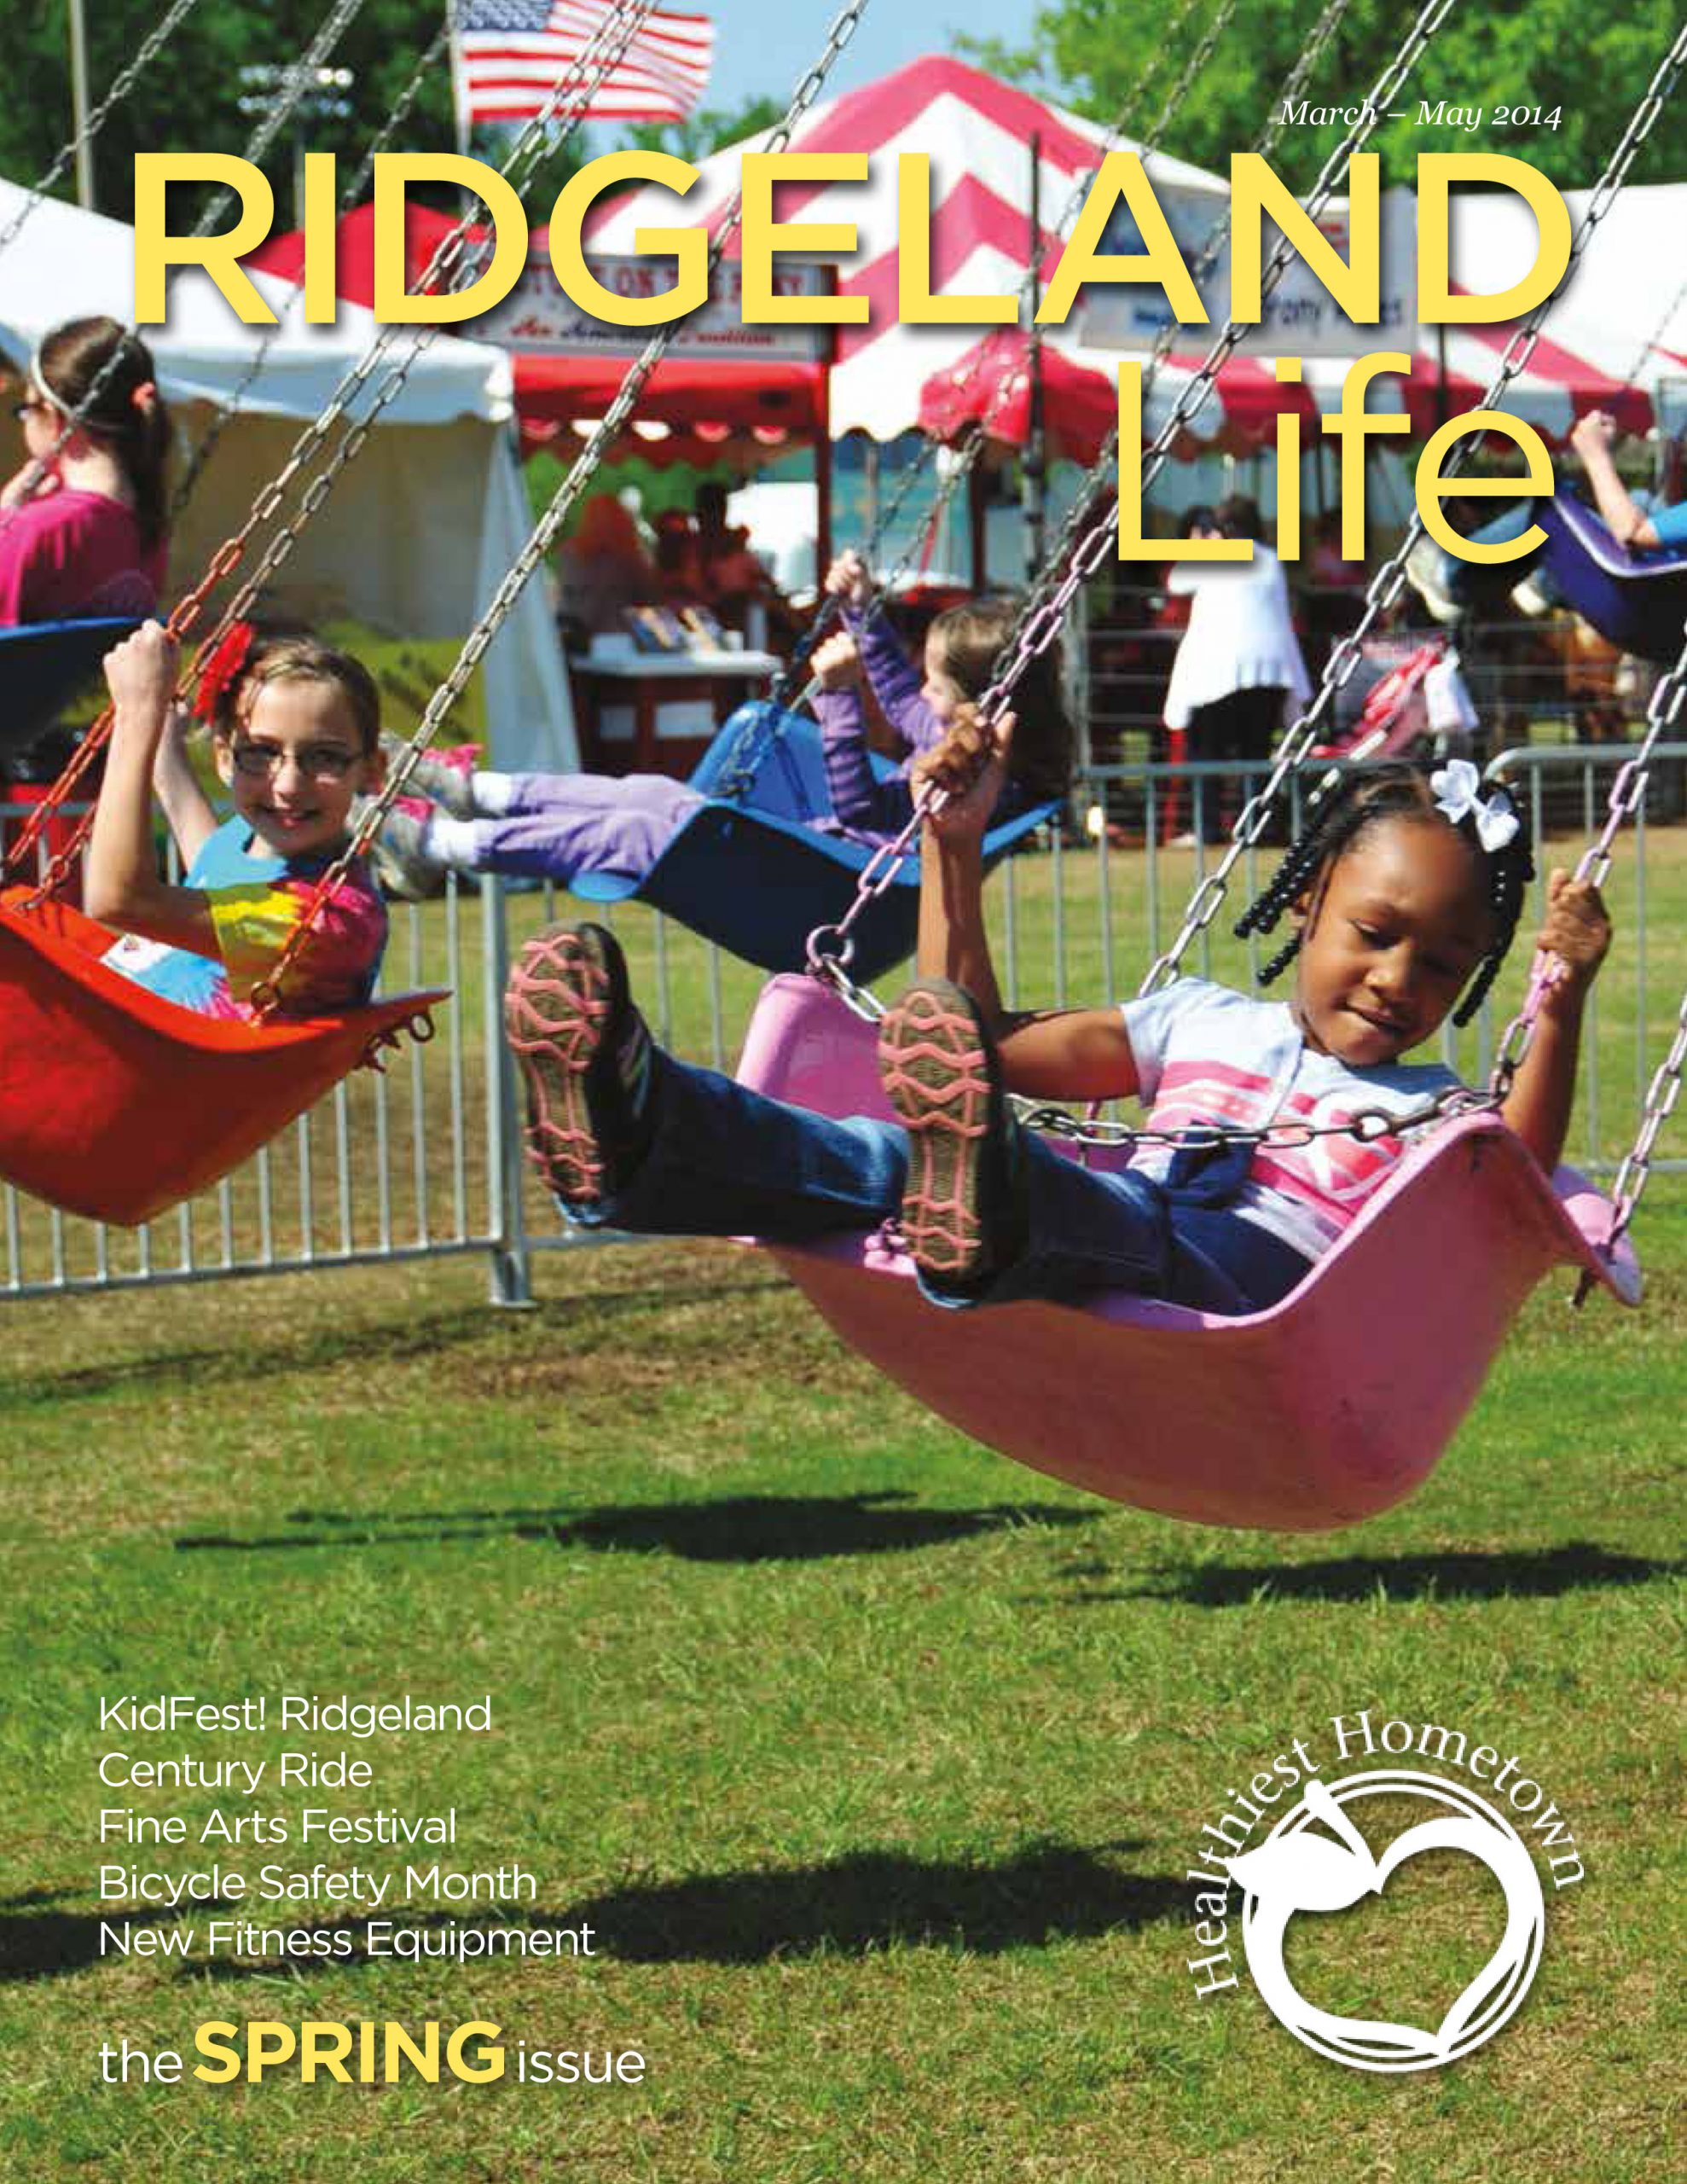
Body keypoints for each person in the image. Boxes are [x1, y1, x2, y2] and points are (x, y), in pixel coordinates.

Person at [501, 723, 1611, 1321]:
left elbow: (1513, 1175)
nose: (1396, 978)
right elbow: (974, 1043)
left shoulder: (1433, 1113)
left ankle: (987, 1202)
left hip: (1247, 1297)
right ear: (1307, 900)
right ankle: (637, 1126)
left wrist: (1556, 1000)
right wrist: (950, 849)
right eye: (1372, 932)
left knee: (1091, 1206)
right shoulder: (1198, 1022)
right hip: (1100, 1219)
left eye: (1441, 964)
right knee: (889, 1154)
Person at [371, 563, 1071, 896]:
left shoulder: (958, 781)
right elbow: (895, 691)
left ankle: (440, 845)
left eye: (935, 684)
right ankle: (481, 792)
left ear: (975, 701)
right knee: (647, 792)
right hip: (802, 856)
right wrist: (862, 611)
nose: (920, 694)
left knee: (632, 830)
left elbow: (859, 810)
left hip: (818, 885)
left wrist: (836, 702)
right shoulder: (966, 741)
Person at [84, 620, 389, 1021]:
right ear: (225, 759)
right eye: (261, 752)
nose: (288, 785)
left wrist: (137, 713)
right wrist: (163, 741)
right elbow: (213, 863)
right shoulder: (246, 839)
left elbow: (119, 902)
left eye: (325, 757)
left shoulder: (331, 923)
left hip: (153, 1059)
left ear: (371, 771)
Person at [1406, 409, 1687, 624]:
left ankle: (1451, 576)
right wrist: (1677, 470)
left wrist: (1595, 455)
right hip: (1659, 606)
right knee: (1638, 501)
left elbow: (1633, 533)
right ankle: (1543, 584)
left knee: (1550, 509)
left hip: (1633, 600)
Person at [0, 317, 171, 625]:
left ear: (53, 416)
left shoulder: (34, 531)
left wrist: (5, 520)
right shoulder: (150, 527)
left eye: (25, 411)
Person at [1162, 496, 1310, 844]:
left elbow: (1176, 582)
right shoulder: (1271, 560)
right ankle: (1255, 827)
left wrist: (1200, 547)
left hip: (1220, 671)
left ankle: (1207, 828)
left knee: (1206, 752)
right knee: (1254, 751)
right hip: (1271, 670)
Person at [554, 493, 660, 645]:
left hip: (582, 637)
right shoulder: (630, 556)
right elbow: (649, 597)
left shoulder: (571, 554)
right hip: (622, 637)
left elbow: (567, 598)